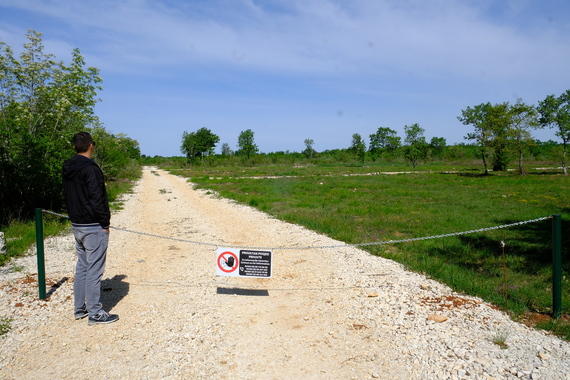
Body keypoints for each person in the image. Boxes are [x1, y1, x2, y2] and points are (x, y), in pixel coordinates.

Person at [62, 132, 119, 325]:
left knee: (83, 267)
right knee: (94, 269)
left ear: (74, 147)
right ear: (91, 146)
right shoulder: (91, 169)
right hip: (93, 225)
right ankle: (95, 313)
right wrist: (105, 223)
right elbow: (97, 198)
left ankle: (80, 309)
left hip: (77, 223)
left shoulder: (67, 167)